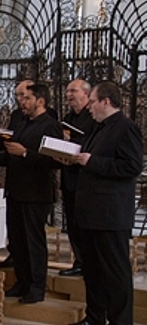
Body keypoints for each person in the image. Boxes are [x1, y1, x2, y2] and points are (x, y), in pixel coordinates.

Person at [66, 82, 143, 325]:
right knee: (94, 268)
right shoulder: (100, 129)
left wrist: (93, 161)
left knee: (115, 269)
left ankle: (121, 324)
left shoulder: (126, 128)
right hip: (92, 211)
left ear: (106, 102)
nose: (89, 108)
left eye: (93, 102)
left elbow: (131, 167)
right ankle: (95, 316)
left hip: (111, 213)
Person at [0, 83, 62, 304]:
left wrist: (26, 153)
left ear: (40, 100)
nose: (22, 102)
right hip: (16, 190)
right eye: (21, 98)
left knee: (33, 242)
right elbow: (10, 157)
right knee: (17, 241)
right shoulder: (21, 123)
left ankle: (37, 287)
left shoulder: (51, 125)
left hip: (36, 193)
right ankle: (22, 282)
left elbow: (55, 161)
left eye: (27, 98)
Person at [58, 79, 97, 277]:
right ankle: (79, 260)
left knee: (84, 223)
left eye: (73, 91)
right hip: (69, 177)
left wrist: (71, 142)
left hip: (86, 180)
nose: (69, 95)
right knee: (72, 222)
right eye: (67, 92)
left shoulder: (93, 119)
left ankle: (87, 262)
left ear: (86, 94)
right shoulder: (68, 118)